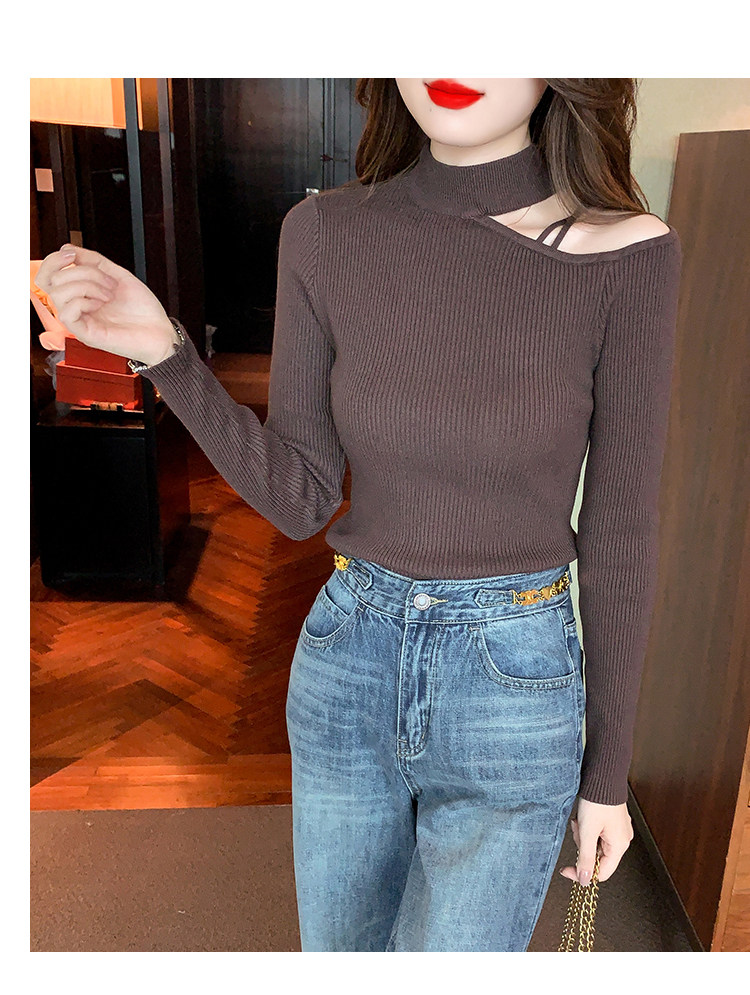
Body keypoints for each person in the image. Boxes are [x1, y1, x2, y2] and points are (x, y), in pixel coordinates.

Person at [34, 77, 682, 952]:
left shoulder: (628, 253)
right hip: (350, 656)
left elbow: (621, 530)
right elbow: (299, 496)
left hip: (514, 681)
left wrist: (606, 773)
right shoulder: (324, 232)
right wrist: (165, 352)